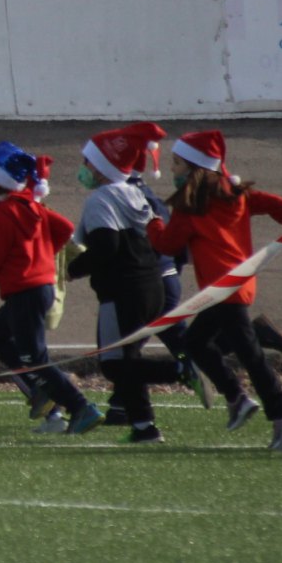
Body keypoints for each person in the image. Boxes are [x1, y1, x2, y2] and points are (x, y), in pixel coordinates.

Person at [148, 130, 282, 453]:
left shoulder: (188, 205)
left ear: (194, 168)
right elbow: (278, 205)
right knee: (196, 343)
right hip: (238, 283)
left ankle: (280, 412)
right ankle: (238, 397)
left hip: (222, 287)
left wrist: (152, 224)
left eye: (177, 164)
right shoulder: (237, 194)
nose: (172, 170)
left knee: (248, 354)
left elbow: (167, 244)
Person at [0, 141, 103, 436]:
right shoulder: (32, 206)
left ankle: (80, 406)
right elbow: (65, 228)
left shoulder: (1, 214)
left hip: (25, 291)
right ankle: (43, 393)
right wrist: (45, 256)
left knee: (34, 357)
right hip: (38, 288)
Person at [66, 122, 171, 445]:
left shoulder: (102, 199)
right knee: (130, 360)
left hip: (123, 290)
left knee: (113, 365)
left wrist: (73, 269)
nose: (84, 168)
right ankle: (143, 425)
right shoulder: (135, 192)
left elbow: (105, 248)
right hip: (151, 284)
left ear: (101, 167)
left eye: (88, 162)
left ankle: (185, 370)